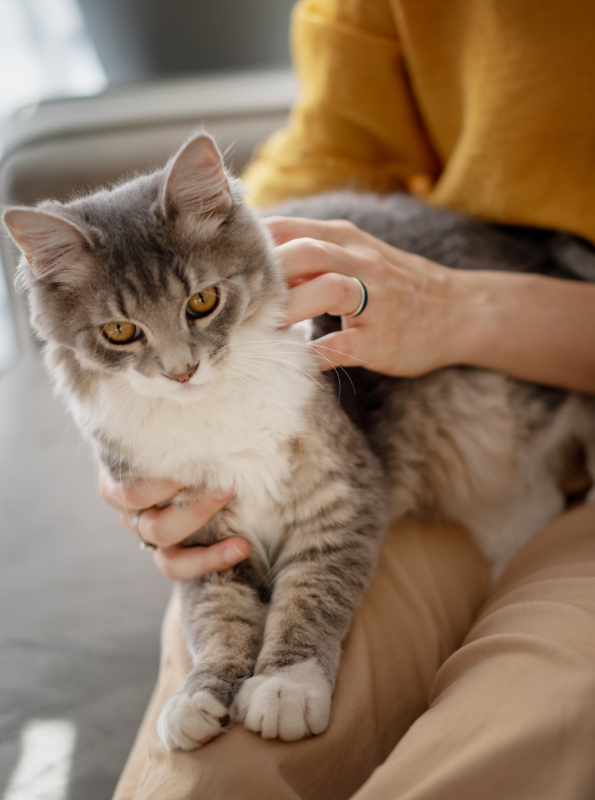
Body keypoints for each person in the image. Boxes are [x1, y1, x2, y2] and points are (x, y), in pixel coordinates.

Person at [106, 1, 595, 798]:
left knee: (517, 738)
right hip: (406, 429)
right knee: (219, 769)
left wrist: (467, 310)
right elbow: (317, 160)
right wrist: (148, 433)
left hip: (520, 368)